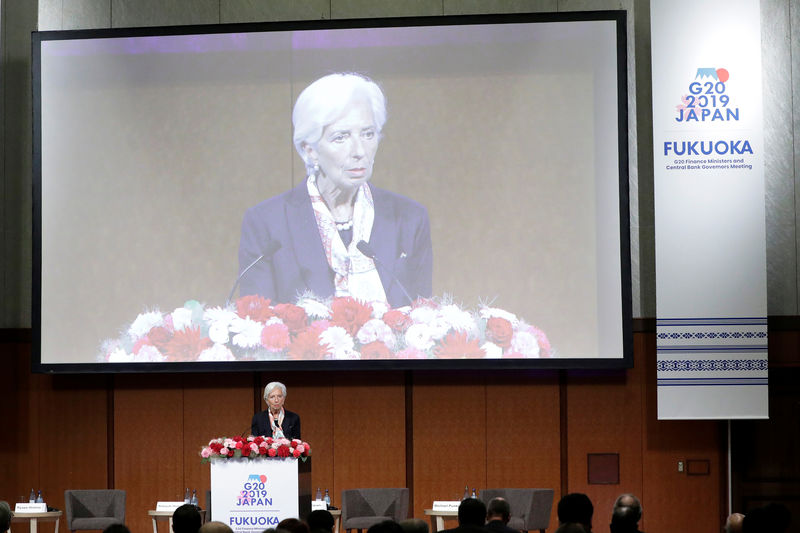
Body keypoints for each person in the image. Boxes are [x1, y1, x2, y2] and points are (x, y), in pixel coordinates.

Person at [238, 72, 433, 309]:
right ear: (309, 149)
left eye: (368, 134)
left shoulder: (409, 218)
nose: (359, 150)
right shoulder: (267, 224)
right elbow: (259, 329)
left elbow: (423, 321)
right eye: (341, 137)